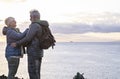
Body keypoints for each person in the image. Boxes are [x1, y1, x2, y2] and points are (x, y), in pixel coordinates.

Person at [11, 9, 49, 79]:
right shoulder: (41, 25)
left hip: (33, 52)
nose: (30, 18)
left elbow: (28, 38)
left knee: (33, 72)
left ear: (34, 17)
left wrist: (17, 43)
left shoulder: (34, 25)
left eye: (30, 17)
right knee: (37, 72)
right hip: (39, 52)